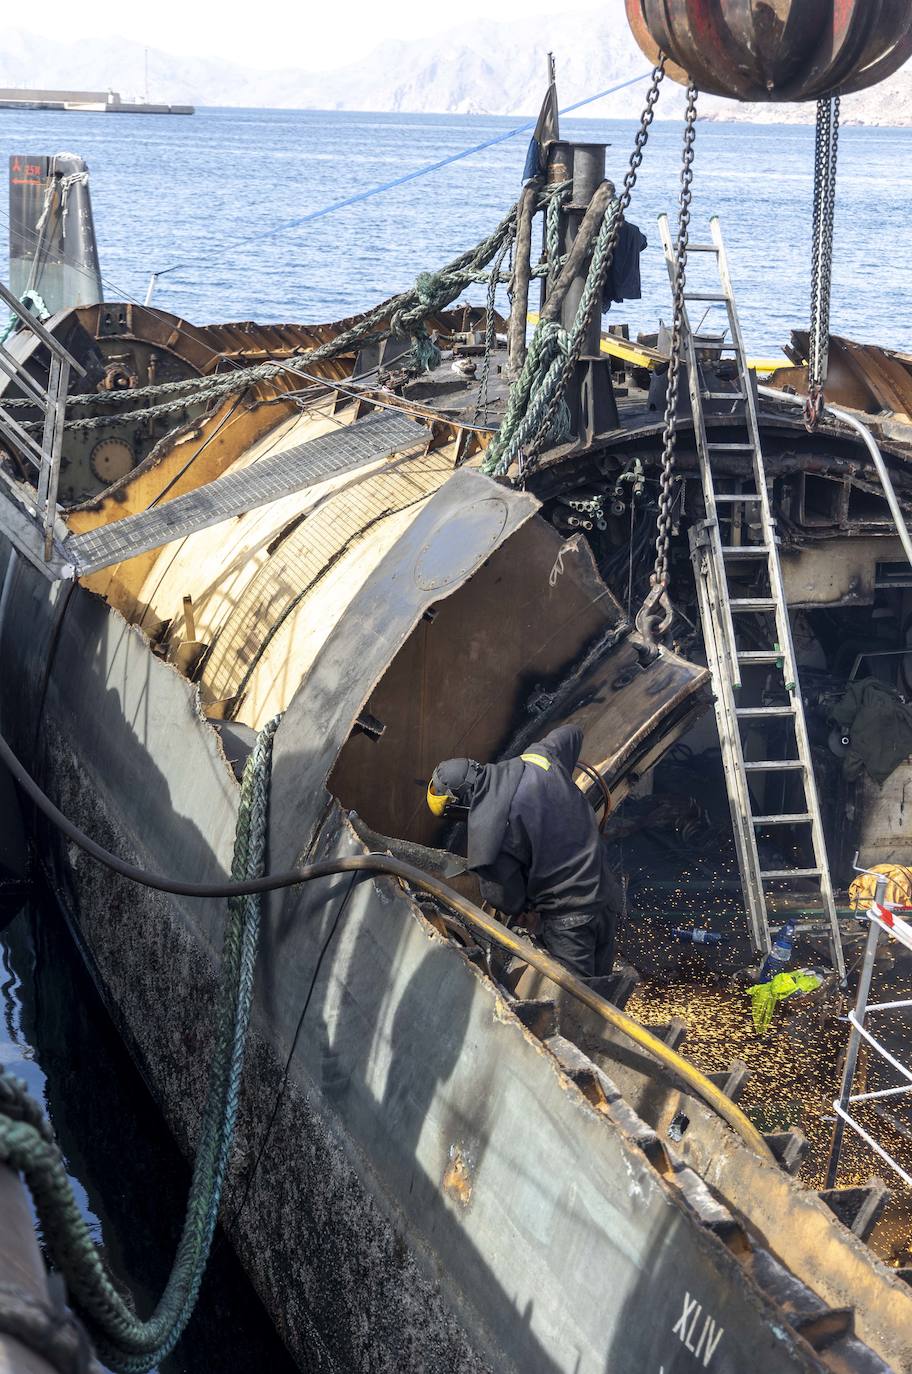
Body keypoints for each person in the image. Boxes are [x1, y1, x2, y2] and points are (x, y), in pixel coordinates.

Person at [426, 725, 623, 979]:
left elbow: (504, 898)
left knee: (578, 1003)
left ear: (461, 807)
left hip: (571, 922)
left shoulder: (489, 835)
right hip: (606, 895)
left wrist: (527, 912)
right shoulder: (537, 758)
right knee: (604, 986)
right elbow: (572, 733)